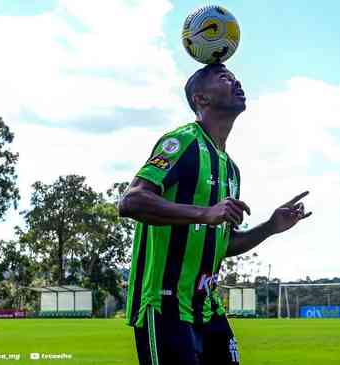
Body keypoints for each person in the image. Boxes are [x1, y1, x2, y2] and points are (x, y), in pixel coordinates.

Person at [119, 62, 311, 365]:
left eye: (236, 78)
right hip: (164, 305)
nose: (236, 83)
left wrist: (270, 226)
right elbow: (131, 201)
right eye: (224, 78)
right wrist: (205, 213)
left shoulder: (231, 169)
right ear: (201, 99)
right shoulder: (184, 141)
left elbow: (225, 243)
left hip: (207, 308)